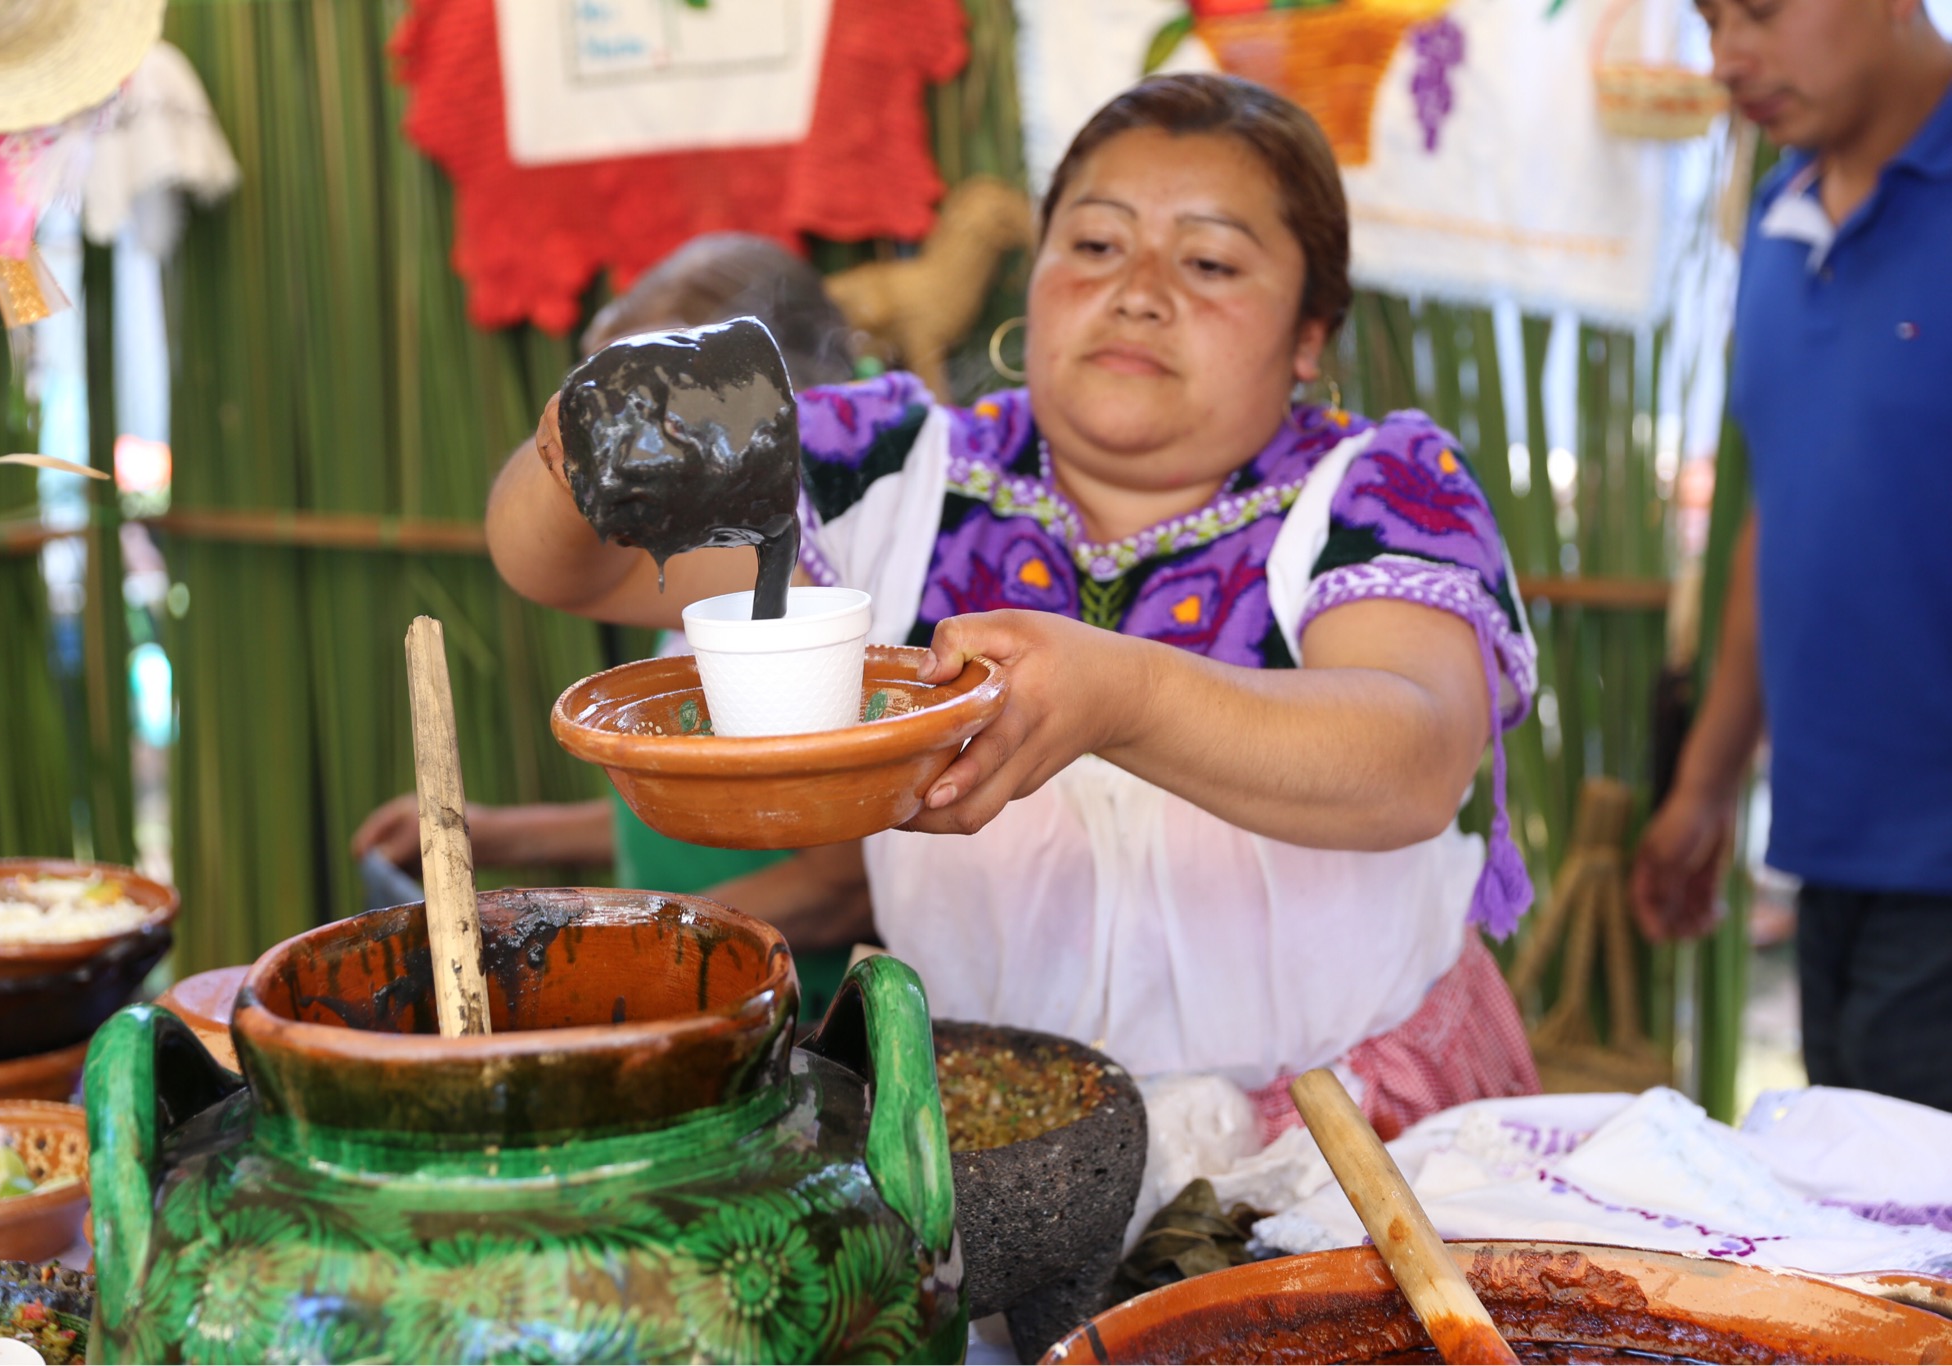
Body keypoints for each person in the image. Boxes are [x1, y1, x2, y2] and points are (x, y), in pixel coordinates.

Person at [489, 74, 1542, 1140]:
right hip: (1001, 1144)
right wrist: (591, 426)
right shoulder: (891, 469)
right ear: (1031, 277)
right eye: (1092, 244)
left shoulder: (1379, 486)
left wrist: (1124, 696)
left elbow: (1412, 761)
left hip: (1345, 1139)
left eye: (1210, 262)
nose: (1137, 291)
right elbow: (570, 568)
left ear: (1309, 331)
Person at [352, 233, 875, 1015]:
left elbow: (839, 887)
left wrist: (630, 945)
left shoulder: (819, 596)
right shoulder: (700, 578)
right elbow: (715, 809)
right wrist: (499, 835)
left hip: (782, 1011)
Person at [1633, 0, 1952, 1110]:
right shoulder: (1779, 219)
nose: (1727, 55)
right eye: (1710, 19)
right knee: (1867, 1247)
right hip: (1831, 844)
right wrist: (1709, 780)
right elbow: (1790, 511)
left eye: (1759, 10)